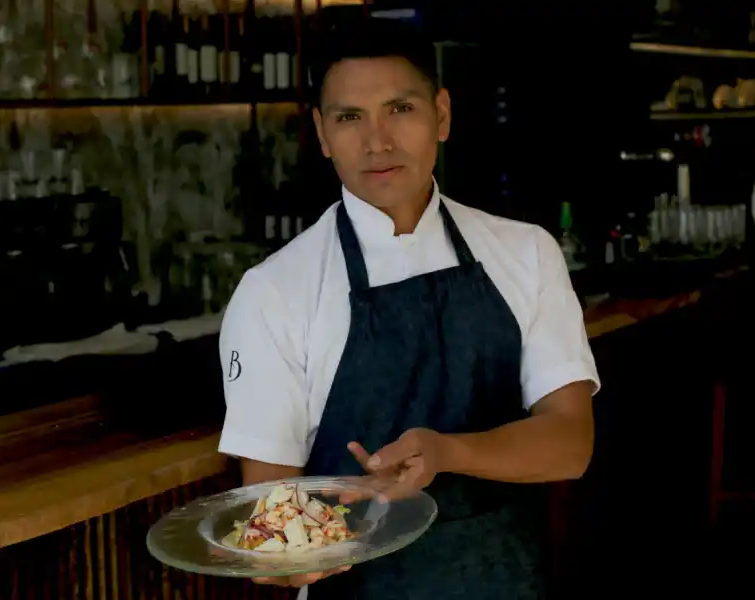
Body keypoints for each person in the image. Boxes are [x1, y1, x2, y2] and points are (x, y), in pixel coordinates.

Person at [217, 16, 599, 600]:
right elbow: (269, 505)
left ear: (441, 115)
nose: (378, 141)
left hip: (507, 580)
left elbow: (570, 444)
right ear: (321, 134)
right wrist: (287, 555)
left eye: (400, 109)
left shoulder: (526, 252)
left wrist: (446, 451)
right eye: (349, 118)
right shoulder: (273, 291)